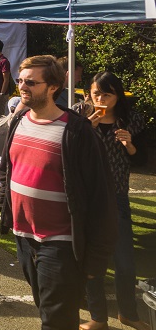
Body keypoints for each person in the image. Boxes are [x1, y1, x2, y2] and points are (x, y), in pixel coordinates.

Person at [0, 55, 116, 330]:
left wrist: (95, 260)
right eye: (20, 81)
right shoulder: (19, 122)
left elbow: (102, 198)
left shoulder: (77, 132)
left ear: (53, 87)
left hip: (61, 243)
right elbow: (8, 168)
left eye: (30, 82)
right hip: (24, 237)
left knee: (56, 320)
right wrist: (6, 200)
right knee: (46, 309)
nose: (22, 87)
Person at [72, 72, 149, 330]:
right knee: (94, 262)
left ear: (118, 95)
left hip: (116, 196)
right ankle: (98, 318)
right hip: (88, 197)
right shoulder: (78, 116)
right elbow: (67, 154)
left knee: (125, 261)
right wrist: (87, 130)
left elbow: (142, 161)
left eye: (107, 94)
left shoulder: (132, 121)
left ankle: (128, 313)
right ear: (88, 94)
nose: (101, 99)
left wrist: (130, 145)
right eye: (96, 93)